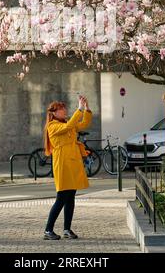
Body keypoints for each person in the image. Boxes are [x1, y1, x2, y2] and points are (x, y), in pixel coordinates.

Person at [43, 95, 92, 240]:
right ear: (54, 113)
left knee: (70, 197)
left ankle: (67, 229)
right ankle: (48, 230)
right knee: (61, 198)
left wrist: (87, 109)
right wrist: (79, 108)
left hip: (72, 162)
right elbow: (70, 125)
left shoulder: (66, 122)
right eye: (61, 109)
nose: (64, 111)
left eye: (64, 109)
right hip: (63, 163)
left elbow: (83, 124)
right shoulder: (53, 126)